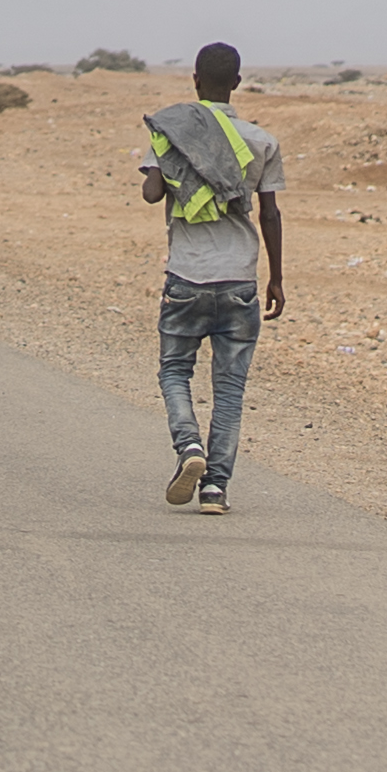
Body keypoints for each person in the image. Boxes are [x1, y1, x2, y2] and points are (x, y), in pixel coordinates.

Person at [139, 42, 284, 514]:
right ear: (237, 82)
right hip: (240, 280)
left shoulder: (172, 131)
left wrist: (165, 163)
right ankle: (215, 489)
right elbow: (270, 213)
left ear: (195, 81)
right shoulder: (260, 141)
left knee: (175, 371)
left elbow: (151, 193)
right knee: (230, 388)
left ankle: (190, 449)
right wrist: (276, 279)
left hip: (187, 275)